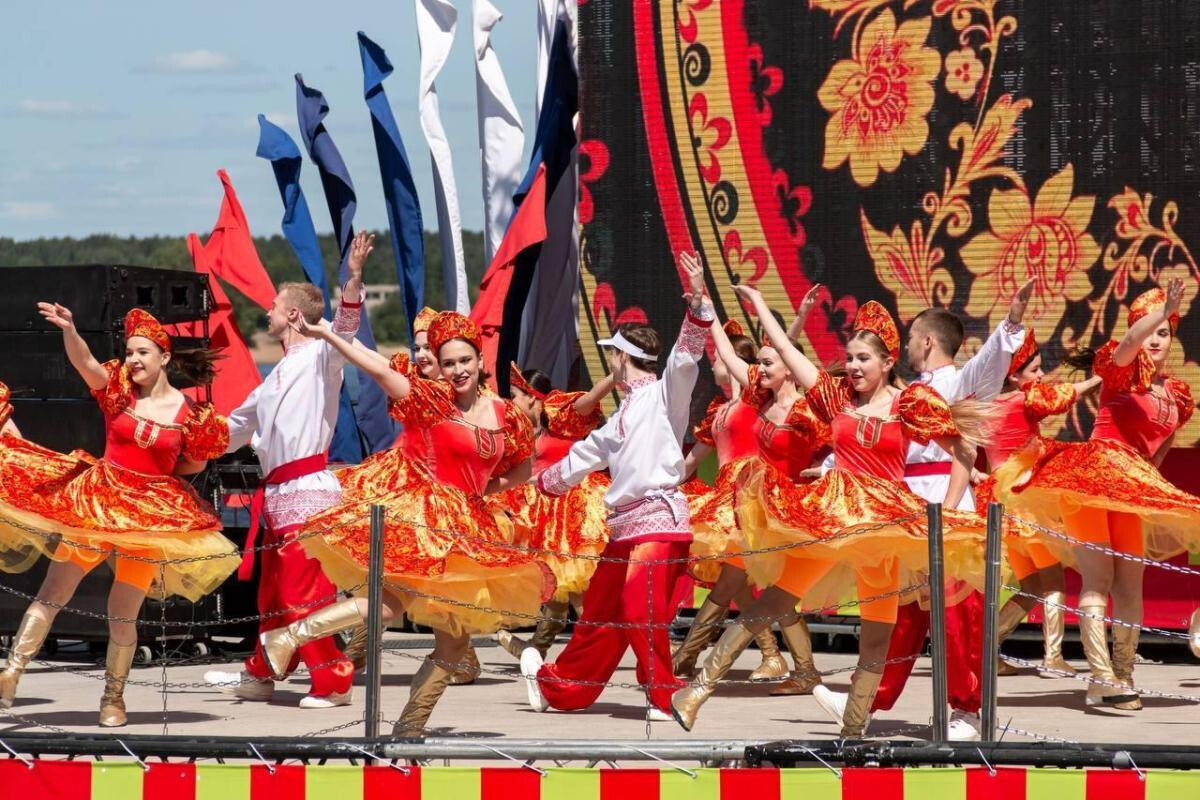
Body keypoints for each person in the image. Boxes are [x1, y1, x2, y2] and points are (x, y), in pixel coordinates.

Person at [671, 288, 989, 735]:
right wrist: (761, 304)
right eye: (850, 358)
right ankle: (697, 691)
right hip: (831, 514)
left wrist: (947, 511)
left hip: (885, 521)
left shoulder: (910, 403)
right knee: (774, 602)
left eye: (863, 359)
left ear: (885, 363)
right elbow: (783, 350)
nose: (854, 367)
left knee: (878, 634)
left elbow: (964, 450)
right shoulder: (835, 395)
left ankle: (854, 728)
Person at [254, 311, 552, 735]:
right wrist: (326, 332)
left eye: (464, 361)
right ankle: (288, 637)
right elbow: (373, 365)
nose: (457, 371)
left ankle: (409, 727)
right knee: (389, 605)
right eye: (448, 364)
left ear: (480, 360)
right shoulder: (431, 400)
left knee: (453, 645)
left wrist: (483, 491)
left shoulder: (510, 416)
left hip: (468, 529)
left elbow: (522, 469)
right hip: (426, 522)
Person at [812, 280, 1033, 742]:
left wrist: (1010, 325)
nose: (907, 343)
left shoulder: (956, 382)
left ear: (927, 341)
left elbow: (988, 369)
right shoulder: (908, 393)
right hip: (908, 508)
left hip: (945, 506)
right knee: (903, 615)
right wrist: (831, 466)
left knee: (958, 616)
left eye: (911, 337)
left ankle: (967, 710)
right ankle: (863, 701)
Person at [0, 307, 236, 727]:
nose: (133, 360)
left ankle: (113, 698)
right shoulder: (118, 393)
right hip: (98, 505)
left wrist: (156, 482)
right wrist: (72, 329)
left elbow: (193, 467)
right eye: (129, 353)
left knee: (123, 613)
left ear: (164, 357)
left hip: (147, 521)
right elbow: (85, 363)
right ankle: (12, 671)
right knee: (54, 592)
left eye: (142, 352)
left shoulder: (192, 416)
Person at [520, 251, 712, 721]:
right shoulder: (619, 417)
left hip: (657, 522)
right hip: (623, 529)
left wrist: (700, 303)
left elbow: (685, 358)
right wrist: (538, 484)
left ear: (622, 358)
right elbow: (580, 459)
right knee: (599, 617)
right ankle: (562, 687)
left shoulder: (665, 396)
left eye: (612, 353)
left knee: (634, 605)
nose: (610, 359)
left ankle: (668, 695)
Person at [995, 280, 1200, 710]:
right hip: (1090, 480)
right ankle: (1100, 676)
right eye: (1152, 328)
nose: (1157, 338)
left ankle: (1122, 673)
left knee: (1131, 584)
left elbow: (1160, 446)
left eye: (1166, 330)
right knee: (1099, 578)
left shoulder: (1177, 395)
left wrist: (1147, 488)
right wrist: (1156, 317)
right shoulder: (1120, 367)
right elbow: (1128, 342)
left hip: (1130, 486)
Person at [204, 231, 373, 709]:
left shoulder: (323, 354)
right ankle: (262, 672)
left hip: (307, 489)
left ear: (294, 314)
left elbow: (344, 326)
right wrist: (189, 442)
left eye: (276, 305)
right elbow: (233, 428)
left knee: (305, 591)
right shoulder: (273, 375)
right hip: (276, 493)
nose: (268, 311)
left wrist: (354, 280)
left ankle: (333, 678)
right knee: (274, 593)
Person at [674, 285, 827, 695]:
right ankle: (793, 667)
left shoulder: (804, 409)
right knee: (755, 588)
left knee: (760, 589)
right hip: (749, 504)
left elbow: (783, 350)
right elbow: (729, 353)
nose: (757, 369)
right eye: (756, 364)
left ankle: (689, 662)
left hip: (784, 510)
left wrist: (797, 317)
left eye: (765, 363)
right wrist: (705, 309)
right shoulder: (754, 400)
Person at [974, 332, 1099, 677]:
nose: (1040, 376)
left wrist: (973, 474)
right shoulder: (1020, 400)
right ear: (1014, 376)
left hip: (1000, 504)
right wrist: (1102, 376)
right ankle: (1053, 657)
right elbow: (1063, 395)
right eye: (1035, 369)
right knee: (1053, 581)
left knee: (1030, 588)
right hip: (1027, 501)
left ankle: (985, 651)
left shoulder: (984, 406)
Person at [495, 365, 614, 661]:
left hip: (574, 510)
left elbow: (585, 402)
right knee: (559, 590)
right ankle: (536, 649)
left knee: (577, 590)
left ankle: (595, 654)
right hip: (548, 516)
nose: (510, 403)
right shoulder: (524, 431)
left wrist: (616, 376)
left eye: (514, 396)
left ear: (533, 397)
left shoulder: (558, 415)